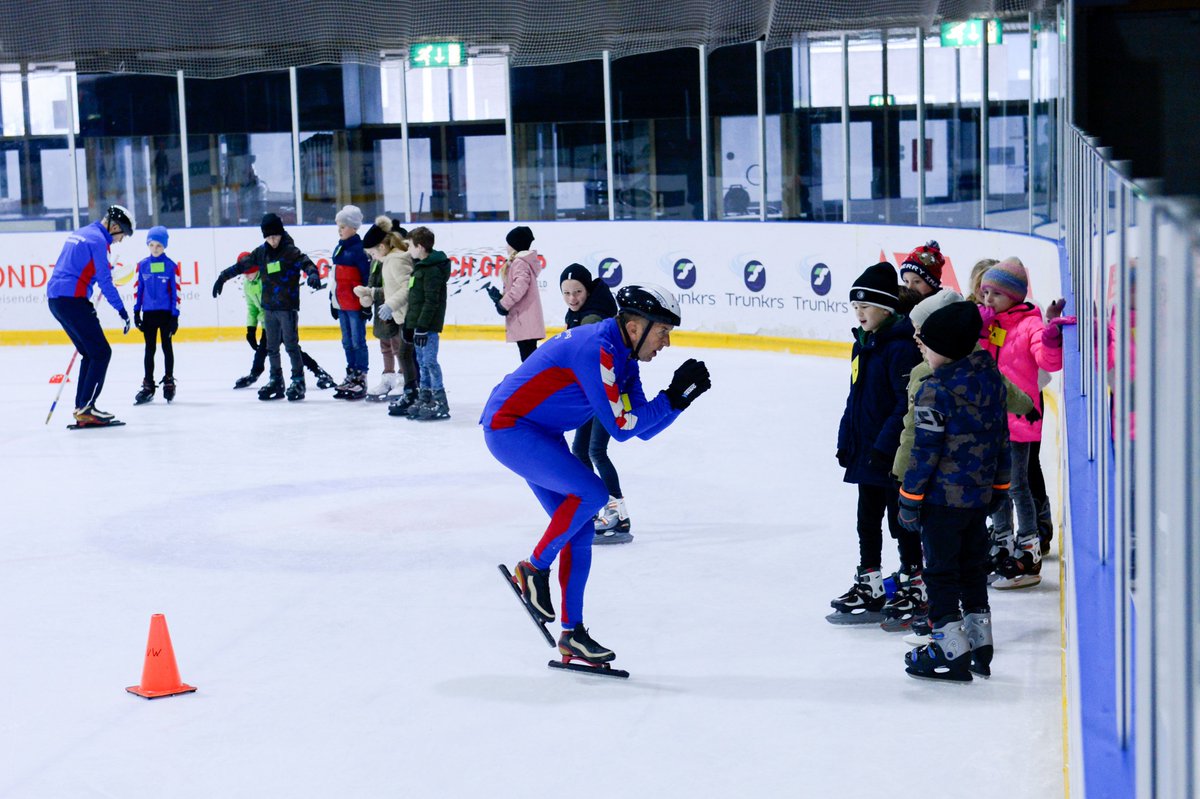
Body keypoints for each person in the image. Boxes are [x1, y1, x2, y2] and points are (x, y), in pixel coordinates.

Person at [483, 284, 711, 667]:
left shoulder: (625, 359)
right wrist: (670, 399)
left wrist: (678, 400)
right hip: (510, 428)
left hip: (541, 433)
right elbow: (621, 427)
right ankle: (532, 569)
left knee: (582, 529)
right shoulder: (597, 350)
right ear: (635, 328)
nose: (667, 342)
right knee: (592, 492)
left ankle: (572, 635)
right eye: (662, 332)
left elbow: (641, 429)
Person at [898, 301, 1011, 682]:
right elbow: (1003, 441)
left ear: (944, 350)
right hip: (978, 499)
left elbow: (924, 452)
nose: (924, 353)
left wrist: (909, 498)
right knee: (972, 568)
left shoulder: (935, 390)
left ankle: (949, 649)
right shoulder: (991, 380)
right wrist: (1000, 487)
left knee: (941, 572)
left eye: (928, 347)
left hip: (941, 502)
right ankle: (980, 642)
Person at [829, 262, 923, 626]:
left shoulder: (901, 348)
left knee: (902, 523)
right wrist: (846, 439)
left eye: (865, 306)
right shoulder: (862, 345)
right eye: (855, 306)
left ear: (886, 308)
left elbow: (904, 405)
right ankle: (870, 582)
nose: (859, 312)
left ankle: (915, 582)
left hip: (891, 455)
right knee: (866, 520)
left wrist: (884, 447)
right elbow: (854, 398)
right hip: (866, 452)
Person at [978, 258, 1067, 589]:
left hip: (1018, 421)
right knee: (994, 486)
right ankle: (1002, 541)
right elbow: (975, 358)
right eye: (985, 292)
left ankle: (1029, 548)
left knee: (1017, 486)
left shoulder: (1029, 325)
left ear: (1014, 296)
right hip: (989, 421)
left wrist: (1052, 334)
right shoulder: (991, 323)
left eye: (995, 294)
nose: (988, 299)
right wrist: (979, 329)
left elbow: (1047, 361)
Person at [212, 212, 322, 401]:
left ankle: (298, 381)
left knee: (291, 346)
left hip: (287, 307)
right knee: (272, 348)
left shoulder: (290, 251)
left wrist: (313, 273)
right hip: (269, 307)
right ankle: (276, 380)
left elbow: (306, 262)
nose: (272, 241)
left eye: (275, 236)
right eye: (268, 237)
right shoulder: (261, 252)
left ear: (281, 233)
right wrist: (223, 277)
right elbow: (241, 266)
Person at [557, 263, 630, 544]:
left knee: (595, 450)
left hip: (607, 392)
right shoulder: (579, 314)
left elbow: (581, 358)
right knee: (581, 450)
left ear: (587, 289)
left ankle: (617, 514)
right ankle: (594, 507)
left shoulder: (592, 318)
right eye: (566, 293)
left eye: (577, 292)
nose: (572, 298)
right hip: (592, 392)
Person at [46, 205, 134, 427]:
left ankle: (82, 408)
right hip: (73, 300)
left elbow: (78, 268)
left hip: (56, 300)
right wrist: (122, 310)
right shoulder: (98, 241)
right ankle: (86, 408)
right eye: (122, 234)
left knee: (90, 352)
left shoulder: (82, 233)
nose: (120, 240)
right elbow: (105, 282)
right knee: (102, 353)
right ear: (114, 226)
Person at [223, 251, 335, 391]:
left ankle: (318, 372)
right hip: (267, 324)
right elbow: (252, 309)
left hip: (280, 319)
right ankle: (255, 374)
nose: (247, 276)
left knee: (292, 349)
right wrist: (251, 329)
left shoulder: (267, 278)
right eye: (244, 273)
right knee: (264, 350)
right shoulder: (248, 284)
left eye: (249, 272)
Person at [356, 217, 417, 407]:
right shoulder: (387, 260)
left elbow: (408, 288)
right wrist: (371, 292)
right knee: (403, 353)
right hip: (399, 315)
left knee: (407, 354)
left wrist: (390, 304)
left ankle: (411, 388)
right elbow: (391, 287)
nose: (373, 257)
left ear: (381, 247)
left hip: (407, 316)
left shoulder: (396, 260)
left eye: (373, 253)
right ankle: (410, 389)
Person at [402, 226, 452, 421]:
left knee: (430, 362)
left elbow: (432, 302)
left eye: (410, 246)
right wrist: (410, 325)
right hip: (419, 326)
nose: (408, 250)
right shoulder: (420, 267)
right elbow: (415, 301)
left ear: (420, 247)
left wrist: (422, 327)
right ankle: (426, 397)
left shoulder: (432, 270)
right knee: (422, 363)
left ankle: (440, 401)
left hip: (428, 328)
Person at [133, 225, 181, 404]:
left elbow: (176, 293)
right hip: (149, 315)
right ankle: (148, 384)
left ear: (164, 246)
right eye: (152, 245)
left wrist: (175, 316)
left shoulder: (171, 266)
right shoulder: (142, 266)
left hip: (166, 314)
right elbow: (139, 289)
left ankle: (169, 380)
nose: (155, 248)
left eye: (159, 245)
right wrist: (137, 312)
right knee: (149, 349)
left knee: (167, 347)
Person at [486, 225, 546, 362]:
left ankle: (538, 377)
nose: (506, 246)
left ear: (515, 245)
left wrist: (503, 304)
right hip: (524, 320)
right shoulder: (521, 262)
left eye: (508, 243)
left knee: (528, 359)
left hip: (524, 319)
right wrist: (499, 298)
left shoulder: (519, 262)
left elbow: (520, 286)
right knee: (529, 358)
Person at [330, 205, 371, 400]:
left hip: (355, 305)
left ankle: (360, 376)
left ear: (354, 228)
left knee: (357, 341)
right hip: (341, 303)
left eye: (343, 226)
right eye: (338, 226)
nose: (340, 230)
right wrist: (332, 300)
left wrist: (366, 304)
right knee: (346, 341)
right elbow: (335, 279)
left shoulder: (360, 251)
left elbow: (366, 278)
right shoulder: (339, 248)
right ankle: (351, 373)